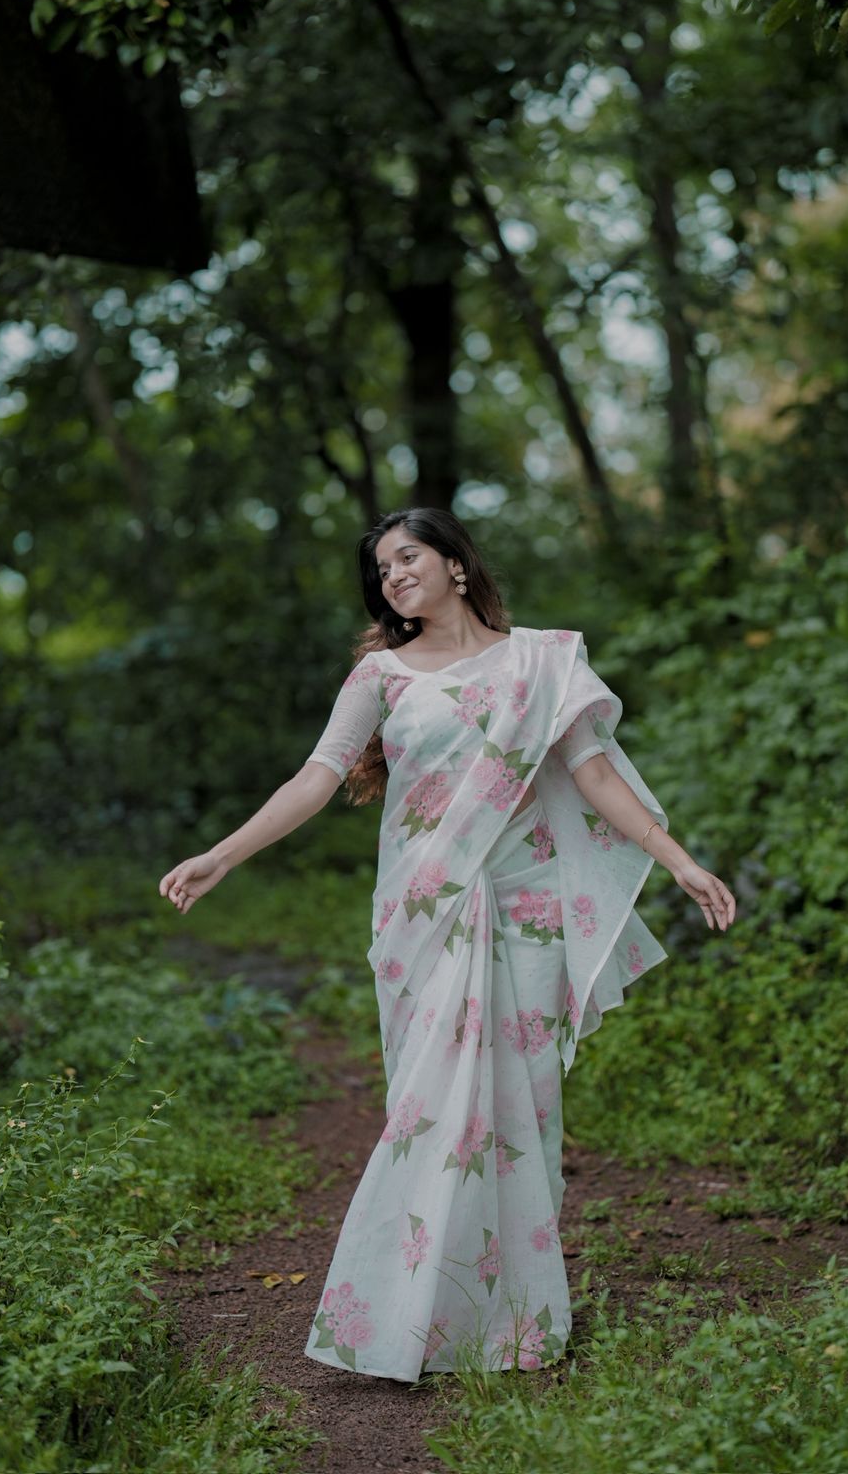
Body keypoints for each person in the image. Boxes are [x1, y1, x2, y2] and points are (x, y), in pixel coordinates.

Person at [159, 506, 736, 1381]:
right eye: (380, 569)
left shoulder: (543, 663)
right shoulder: (379, 678)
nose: (392, 576)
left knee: (523, 1114)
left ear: (456, 565)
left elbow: (594, 772)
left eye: (407, 557)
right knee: (429, 1114)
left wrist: (681, 861)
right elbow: (316, 777)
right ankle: (408, 1316)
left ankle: (517, 1323)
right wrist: (223, 854)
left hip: (528, 908)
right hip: (425, 918)